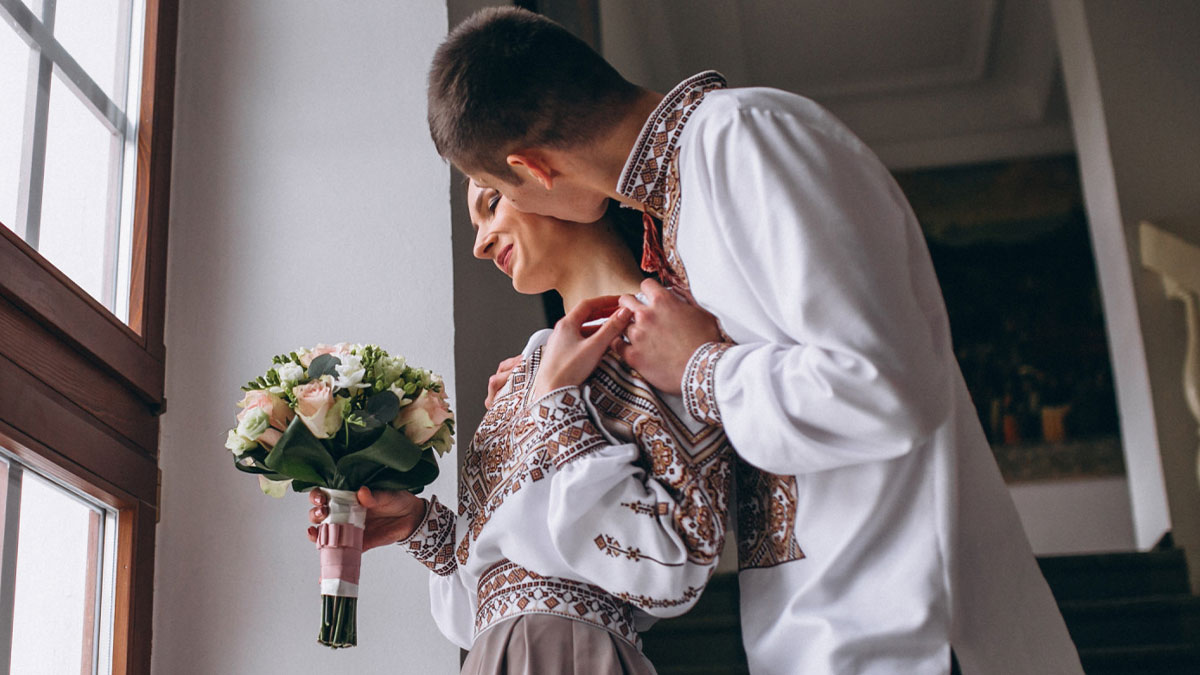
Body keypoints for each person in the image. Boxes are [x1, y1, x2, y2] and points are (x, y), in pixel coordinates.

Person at [425, 7, 1084, 675]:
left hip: (905, 624)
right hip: (815, 636)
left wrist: (698, 368)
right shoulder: (672, 230)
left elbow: (883, 386)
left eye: (497, 196)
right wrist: (559, 415)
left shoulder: (743, 137)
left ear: (532, 168)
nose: (489, 237)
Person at [308, 192, 734, 674]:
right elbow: (495, 585)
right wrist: (421, 525)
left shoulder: (669, 337)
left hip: (574, 655)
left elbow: (674, 566)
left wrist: (557, 402)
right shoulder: (528, 367)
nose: (480, 245)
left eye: (492, 203)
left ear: (547, 177)